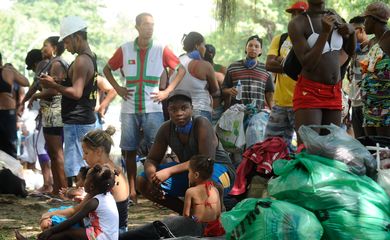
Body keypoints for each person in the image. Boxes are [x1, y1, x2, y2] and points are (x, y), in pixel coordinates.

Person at [103, 12, 185, 203]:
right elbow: (107, 69)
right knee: (129, 150)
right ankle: (132, 192)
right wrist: (117, 88)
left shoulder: (160, 48)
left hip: (153, 106)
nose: (150, 28)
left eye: (152, 25)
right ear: (137, 26)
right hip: (129, 108)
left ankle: (160, 190)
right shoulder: (124, 49)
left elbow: (181, 70)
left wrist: (167, 92)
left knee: (158, 150)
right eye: (146, 24)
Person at [136, 89, 235, 214]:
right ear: (168, 111)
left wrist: (169, 171)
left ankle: (214, 217)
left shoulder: (202, 123)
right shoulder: (166, 129)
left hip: (218, 170)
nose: (179, 113)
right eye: (173, 109)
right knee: (142, 181)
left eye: (184, 108)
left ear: (192, 108)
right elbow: (152, 159)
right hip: (190, 172)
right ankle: (188, 215)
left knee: (203, 182)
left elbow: (205, 161)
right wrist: (152, 178)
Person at [40, 16, 98, 184]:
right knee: (80, 164)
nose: (65, 46)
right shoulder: (89, 57)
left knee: (77, 166)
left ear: (76, 38)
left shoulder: (81, 60)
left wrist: (53, 85)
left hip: (77, 120)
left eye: (66, 42)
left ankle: (78, 203)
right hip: (81, 119)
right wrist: (58, 82)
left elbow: (77, 92)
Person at [39, 126, 130, 233]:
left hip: (110, 231)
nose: (83, 157)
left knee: (53, 219)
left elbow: (77, 210)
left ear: (99, 151)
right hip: (118, 227)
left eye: (86, 153)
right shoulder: (113, 168)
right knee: (55, 214)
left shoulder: (103, 174)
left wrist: (49, 215)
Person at [288, 0, 356, 143]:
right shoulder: (298, 23)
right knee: (309, 149)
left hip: (334, 91)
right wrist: (325, 32)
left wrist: (352, 33)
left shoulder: (335, 17)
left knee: (330, 148)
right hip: (310, 92)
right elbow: (308, 64)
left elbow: (350, 51)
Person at [16, 164, 119, 240]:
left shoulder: (94, 202)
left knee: (68, 234)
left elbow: (73, 219)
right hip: (108, 236)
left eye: (86, 178)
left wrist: (51, 231)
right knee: (68, 231)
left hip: (101, 236)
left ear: (91, 186)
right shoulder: (106, 197)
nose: (83, 182)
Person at [24, 36, 69, 194]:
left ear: (55, 48)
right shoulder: (53, 63)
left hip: (54, 112)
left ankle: (62, 191)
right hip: (51, 112)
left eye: (45, 45)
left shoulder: (56, 63)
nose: (42, 49)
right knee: (52, 151)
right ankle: (56, 189)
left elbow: (55, 90)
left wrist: (35, 96)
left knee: (56, 153)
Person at [264, 1, 308, 150]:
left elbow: (310, 68)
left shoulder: (311, 39)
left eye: (299, 13)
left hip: (302, 103)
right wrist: (294, 67)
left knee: (304, 146)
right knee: (271, 145)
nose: (295, 17)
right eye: (293, 14)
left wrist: (281, 62)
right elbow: (269, 65)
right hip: (280, 103)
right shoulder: (281, 38)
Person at [173, 32, 220, 122]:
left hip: (178, 112)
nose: (205, 49)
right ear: (197, 45)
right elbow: (215, 91)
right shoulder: (205, 65)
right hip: (200, 110)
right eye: (204, 45)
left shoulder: (175, 62)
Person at [360, 2, 390, 137]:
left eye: (365, 19)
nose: (363, 24)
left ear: (373, 19)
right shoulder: (372, 42)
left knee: (385, 152)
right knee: (373, 150)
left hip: (385, 108)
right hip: (369, 107)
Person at [222, 35, 274, 111]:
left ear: (260, 51)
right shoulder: (233, 67)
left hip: (257, 114)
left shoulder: (266, 70)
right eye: (250, 45)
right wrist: (229, 91)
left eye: (256, 46)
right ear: (246, 48)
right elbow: (223, 89)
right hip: (237, 112)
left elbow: (269, 94)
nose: (253, 48)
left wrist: (272, 110)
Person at [183, 155, 225, 237]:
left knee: (173, 218)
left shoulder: (190, 191)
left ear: (196, 175)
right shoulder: (215, 190)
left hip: (198, 229)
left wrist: (194, 218)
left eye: (189, 172)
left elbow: (186, 215)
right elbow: (218, 214)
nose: (188, 175)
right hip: (214, 229)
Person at [347, 16, 373, 139]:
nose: (349, 35)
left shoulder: (373, 50)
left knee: (371, 141)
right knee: (360, 140)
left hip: (368, 104)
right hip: (355, 103)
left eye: (352, 32)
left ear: (362, 30)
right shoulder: (352, 51)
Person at [0, 52, 30, 158]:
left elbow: (26, 82)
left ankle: (11, 172)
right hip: (7, 113)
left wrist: (13, 70)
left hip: (8, 113)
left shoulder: (8, 72)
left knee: (10, 145)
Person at [204, 44, 227, 125]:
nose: (209, 54)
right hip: (202, 108)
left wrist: (226, 110)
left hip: (217, 109)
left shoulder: (221, 69)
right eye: (207, 52)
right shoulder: (198, 68)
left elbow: (227, 91)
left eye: (211, 52)